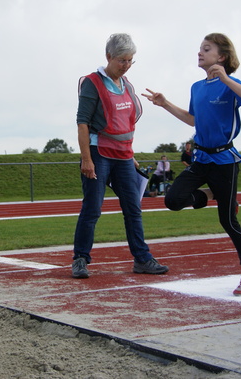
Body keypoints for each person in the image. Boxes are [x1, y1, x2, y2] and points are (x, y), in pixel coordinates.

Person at [142, 33, 241, 296]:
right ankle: (214, 195)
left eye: (206, 49)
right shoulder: (196, 87)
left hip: (224, 161)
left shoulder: (231, 84)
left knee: (228, 220)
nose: (200, 53)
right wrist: (164, 104)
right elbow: (192, 119)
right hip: (201, 158)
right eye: (199, 49)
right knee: (173, 199)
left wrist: (227, 79)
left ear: (221, 57)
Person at [72, 33, 169, 279]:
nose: (126, 66)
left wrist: (131, 156)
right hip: (98, 153)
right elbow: (82, 123)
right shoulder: (92, 82)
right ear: (109, 57)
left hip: (124, 156)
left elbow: (125, 125)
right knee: (92, 208)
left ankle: (143, 259)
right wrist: (86, 159)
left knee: (133, 209)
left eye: (130, 61)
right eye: (122, 60)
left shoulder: (127, 86)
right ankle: (80, 259)